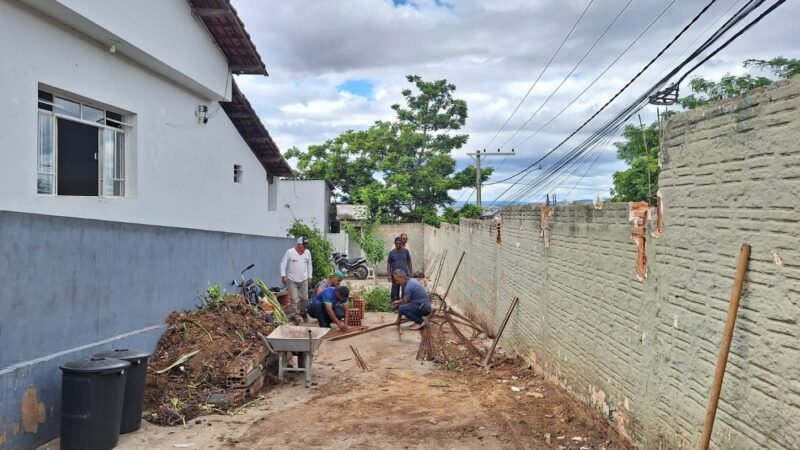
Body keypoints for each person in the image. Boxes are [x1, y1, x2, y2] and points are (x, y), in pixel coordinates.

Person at [280, 237, 312, 324]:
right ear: (299, 244)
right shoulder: (290, 252)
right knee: (294, 299)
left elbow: (309, 265)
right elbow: (283, 263)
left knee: (305, 298)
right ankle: (294, 316)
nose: (305, 248)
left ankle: (303, 312)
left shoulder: (307, 253)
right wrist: (283, 275)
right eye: (303, 246)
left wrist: (310, 277)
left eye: (306, 246)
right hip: (292, 279)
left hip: (304, 279)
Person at [387, 237, 412, 302]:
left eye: (399, 243)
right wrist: (389, 275)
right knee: (395, 290)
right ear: (394, 243)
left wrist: (411, 271)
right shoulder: (392, 253)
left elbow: (409, 261)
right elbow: (389, 264)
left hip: (404, 275)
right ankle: (394, 305)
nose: (398, 245)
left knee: (404, 290)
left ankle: (403, 305)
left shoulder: (405, 251)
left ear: (402, 244)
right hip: (395, 276)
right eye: (397, 243)